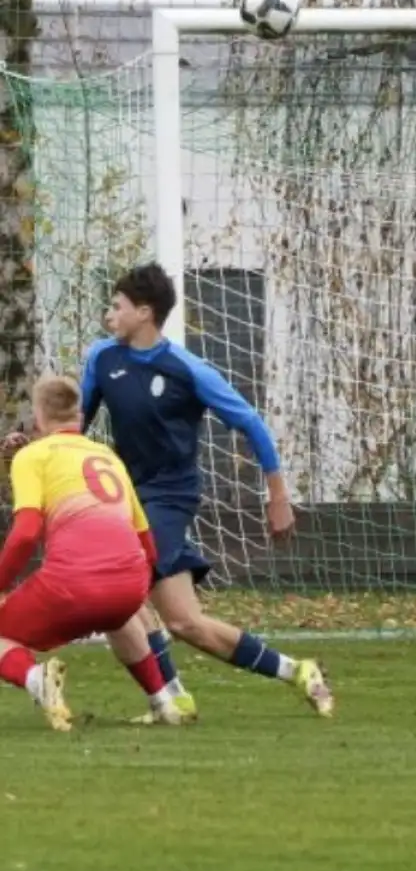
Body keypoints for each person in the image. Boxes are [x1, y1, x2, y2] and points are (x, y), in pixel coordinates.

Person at [7, 263, 333, 720]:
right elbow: (73, 427)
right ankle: (288, 671)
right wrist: (34, 442)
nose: (108, 314)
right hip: (125, 498)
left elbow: (251, 424)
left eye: (116, 306)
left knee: (133, 600)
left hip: (168, 499)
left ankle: (173, 695)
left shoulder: (188, 369)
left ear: (144, 312)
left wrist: (277, 495)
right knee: (174, 618)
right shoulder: (103, 358)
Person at [0, 375, 182, 731]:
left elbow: (24, 536)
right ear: (80, 416)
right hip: (129, 583)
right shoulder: (107, 455)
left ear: (38, 417)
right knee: (120, 618)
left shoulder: (31, 456)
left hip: (74, 584)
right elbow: (147, 542)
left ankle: (38, 680)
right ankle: (164, 701)